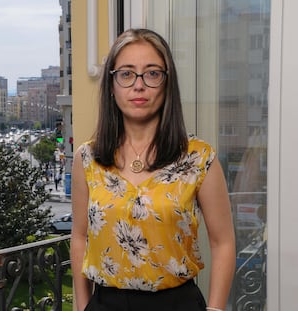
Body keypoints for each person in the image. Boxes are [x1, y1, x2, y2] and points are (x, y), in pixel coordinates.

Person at [70, 28, 236, 311]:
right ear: (111, 85)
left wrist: (216, 309)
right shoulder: (88, 158)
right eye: (126, 74)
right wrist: (84, 306)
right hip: (106, 303)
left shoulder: (198, 158)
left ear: (167, 83)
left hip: (177, 303)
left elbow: (223, 242)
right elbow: (80, 237)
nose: (138, 85)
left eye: (152, 73)